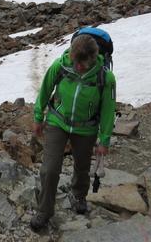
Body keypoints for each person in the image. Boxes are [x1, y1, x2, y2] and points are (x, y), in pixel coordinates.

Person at [30, 34, 116, 231]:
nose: (77, 67)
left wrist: (104, 140)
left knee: (82, 166)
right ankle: (44, 211)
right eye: (75, 62)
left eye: (82, 64)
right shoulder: (61, 66)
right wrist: (38, 117)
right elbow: (45, 90)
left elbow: (108, 110)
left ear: (93, 58)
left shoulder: (105, 78)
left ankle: (79, 195)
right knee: (49, 169)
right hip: (57, 121)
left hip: (86, 128)